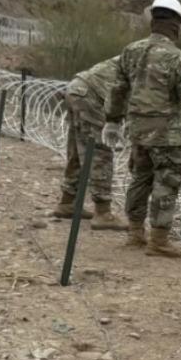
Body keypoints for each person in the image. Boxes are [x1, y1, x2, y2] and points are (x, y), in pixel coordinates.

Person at [103, 0, 181, 257]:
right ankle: (159, 240)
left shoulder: (130, 51)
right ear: (176, 24)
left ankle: (135, 232)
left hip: (137, 129)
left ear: (153, 21)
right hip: (166, 133)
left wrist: (112, 121)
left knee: (140, 178)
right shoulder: (178, 58)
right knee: (168, 180)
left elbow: (118, 90)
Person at [53, 56, 128, 230]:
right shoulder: (169, 61)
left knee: (78, 149)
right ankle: (103, 213)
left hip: (77, 89)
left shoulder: (137, 51)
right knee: (100, 151)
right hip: (92, 96)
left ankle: (67, 203)